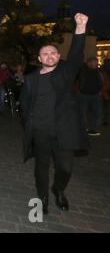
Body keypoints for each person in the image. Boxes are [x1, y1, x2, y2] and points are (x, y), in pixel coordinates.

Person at [20, 13, 90, 215]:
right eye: (45, 54)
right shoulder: (31, 79)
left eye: (53, 53)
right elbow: (24, 103)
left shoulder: (65, 72)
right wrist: (29, 123)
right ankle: (42, 198)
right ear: (39, 58)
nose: (49, 56)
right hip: (40, 131)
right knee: (41, 168)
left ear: (58, 57)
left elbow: (76, 53)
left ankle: (58, 189)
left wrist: (80, 28)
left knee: (65, 167)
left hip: (63, 131)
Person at [77, 57, 104, 136]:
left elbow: (104, 81)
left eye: (96, 62)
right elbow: (76, 81)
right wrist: (78, 91)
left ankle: (95, 129)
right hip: (84, 95)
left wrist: (101, 91)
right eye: (94, 63)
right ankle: (84, 128)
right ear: (88, 63)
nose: (96, 64)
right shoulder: (83, 71)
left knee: (98, 113)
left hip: (96, 95)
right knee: (82, 112)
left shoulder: (99, 71)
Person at [102, 58, 110, 126]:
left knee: (105, 107)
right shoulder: (103, 71)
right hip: (105, 92)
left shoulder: (102, 70)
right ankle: (105, 120)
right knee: (105, 107)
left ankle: (105, 120)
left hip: (105, 92)